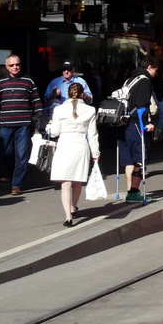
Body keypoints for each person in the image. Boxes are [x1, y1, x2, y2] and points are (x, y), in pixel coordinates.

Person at [0, 54, 43, 195]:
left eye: (17, 64)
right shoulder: (1, 84)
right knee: (5, 153)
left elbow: (36, 102)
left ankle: (17, 185)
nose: (15, 67)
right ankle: (13, 175)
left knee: (21, 155)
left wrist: (39, 119)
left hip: (23, 124)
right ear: (7, 67)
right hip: (5, 124)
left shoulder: (28, 81)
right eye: (11, 65)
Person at [46, 82, 99, 227]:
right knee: (77, 181)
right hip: (81, 146)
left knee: (66, 183)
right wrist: (96, 153)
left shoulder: (59, 109)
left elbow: (55, 132)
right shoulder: (90, 110)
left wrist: (48, 126)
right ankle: (73, 206)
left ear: (68, 94)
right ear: (82, 94)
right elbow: (93, 134)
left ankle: (68, 217)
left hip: (65, 145)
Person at [115, 58, 159, 202]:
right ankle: (133, 192)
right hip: (135, 124)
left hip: (123, 123)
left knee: (129, 160)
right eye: (155, 70)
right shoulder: (145, 81)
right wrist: (147, 123)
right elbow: (142, 104)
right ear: (150, 67)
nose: (156, 73)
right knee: (141, 159)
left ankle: (130, 191)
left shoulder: (129, 80)